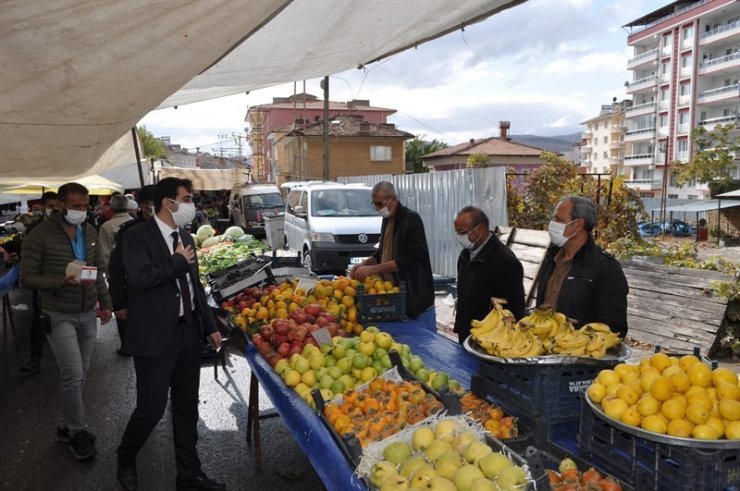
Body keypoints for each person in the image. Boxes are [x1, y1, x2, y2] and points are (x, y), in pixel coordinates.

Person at [116, 178, 224, 491]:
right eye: (187, 198)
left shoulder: (186, 236)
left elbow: (195, 289)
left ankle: (189, 476)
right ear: (168, 202)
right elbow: (142, 278)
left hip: (188, 334)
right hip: (153, 337)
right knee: (150, 409)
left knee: (187, 409)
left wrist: (211, 327)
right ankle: (126, 453)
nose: (191, 205)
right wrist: (177, 261)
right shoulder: (136, 237)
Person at [19, 182, 112, 460]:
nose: (81, 211)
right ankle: (78, 431)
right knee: (72, 373)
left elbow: (97, 272)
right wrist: (60, 281)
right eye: (75, 206)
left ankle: (64, 425)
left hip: (86, 313)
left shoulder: (90, 230)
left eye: (85, 206)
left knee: (79, 374)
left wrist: (105, 303)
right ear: (60, 205)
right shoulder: (39, 235)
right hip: (57, 313)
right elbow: (27, 277)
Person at [536, 196, 629, 337]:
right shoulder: (551, 258)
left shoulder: (606, 267)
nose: (552, 224)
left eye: (558, 220)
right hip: (543, 348)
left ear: (578, 225)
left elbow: (614, 329)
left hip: (579, 353)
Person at [350, 181, 434, 322]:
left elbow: (411, 258)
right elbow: (383, 252)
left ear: (393, 199)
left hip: (415, 298)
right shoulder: (387, 219)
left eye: (380, 204)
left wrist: (374, 269)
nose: (377, 209)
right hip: (393, 295)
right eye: (374, 204)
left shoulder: (411, 220)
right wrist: (364, 264)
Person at [453, 206, 525, 344]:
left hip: (490, 340)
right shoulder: (465, 255)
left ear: (479, 229)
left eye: (462, 232)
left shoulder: (504, 261)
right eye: (457, 233)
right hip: (467, 334)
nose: (459, 238)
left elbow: (515, 309)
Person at [108, 185, 155, 355]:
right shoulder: (129, 232)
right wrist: (118, 303)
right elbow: (117, 268)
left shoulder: (172, 228)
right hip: (139, 298)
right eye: (153, 202)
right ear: (142, 206)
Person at [20, 191, 59, 374]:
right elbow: (27, 256)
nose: (55, 209)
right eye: (51, 206)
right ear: (44, 206)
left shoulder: (67, 225)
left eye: (57, 205)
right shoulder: (34, 228)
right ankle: (36, 358)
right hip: (42, 282)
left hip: (65, 281)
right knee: (39, 317)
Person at [98, 195, 133, 279]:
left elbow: (104, 254)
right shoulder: (136, 224)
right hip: (134, 272)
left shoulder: (106, 227)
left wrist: (108, 275)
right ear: (128, 208)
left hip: (116, 273)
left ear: (111, 209)